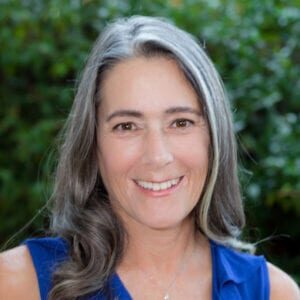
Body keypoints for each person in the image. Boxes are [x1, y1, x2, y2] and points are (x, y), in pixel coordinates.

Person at [0, 16, 299, 300]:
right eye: (127, 126)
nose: (157, 156)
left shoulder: (273, 293)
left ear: (214, 137)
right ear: (92, 143)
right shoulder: (15, 283)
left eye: (181, 122)